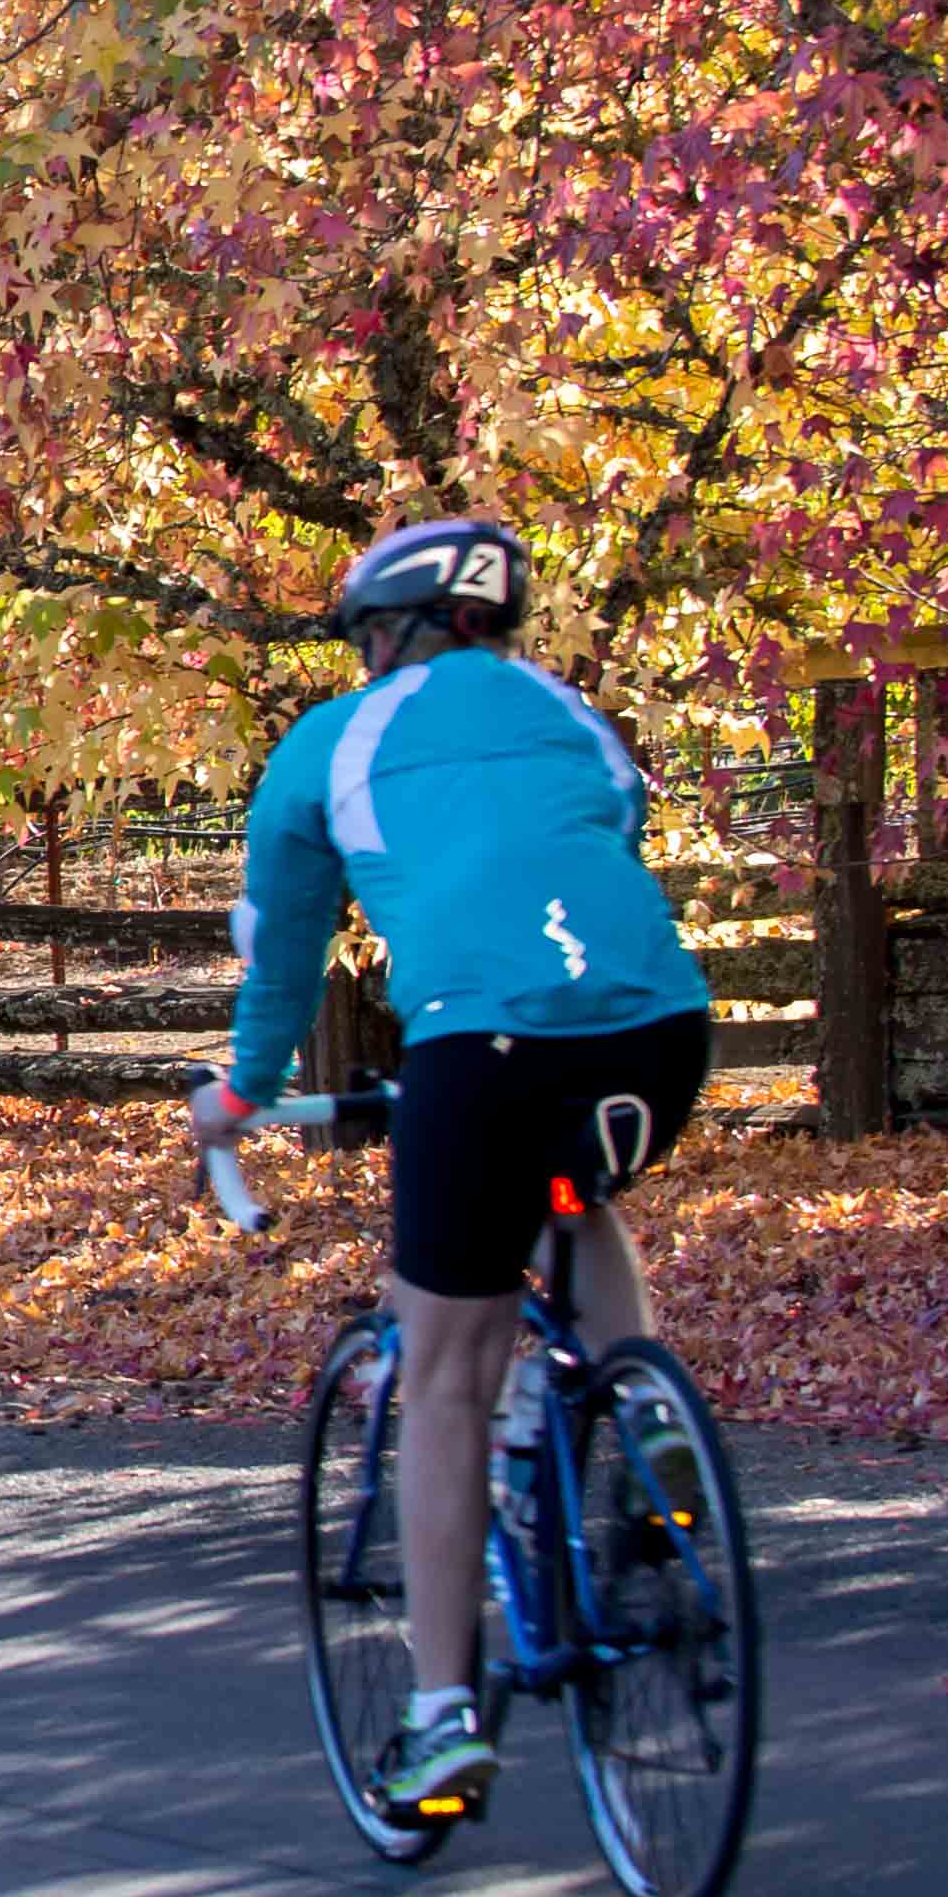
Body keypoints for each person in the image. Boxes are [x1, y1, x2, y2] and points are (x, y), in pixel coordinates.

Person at [188, 519, 718, 1828]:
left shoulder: (334, 742)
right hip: (659, 1031)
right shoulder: (568, 709)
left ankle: (437, 1722)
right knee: (570, 1195)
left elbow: (288, 942)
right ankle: (646, 1420)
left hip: (480, 1048)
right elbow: (607, 833)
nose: (366, 655)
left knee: (444, 1377)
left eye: (370, 633)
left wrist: (244, 1092)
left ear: (401, 629)